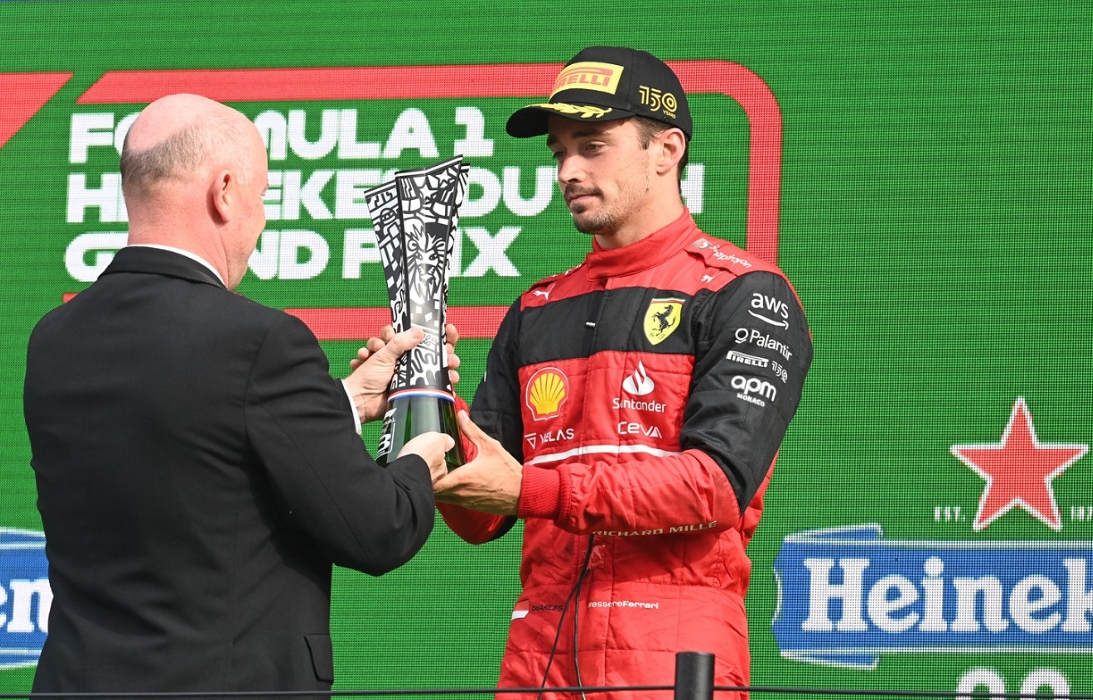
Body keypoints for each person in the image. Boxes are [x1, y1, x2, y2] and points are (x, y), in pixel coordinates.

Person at [23, 93, 455, 696]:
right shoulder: (259, 341)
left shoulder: (54, 339)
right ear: (224, 191)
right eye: (261, 197)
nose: (260, 219)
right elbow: (377, 529)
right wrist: (418, 457)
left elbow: (187, 439)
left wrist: (345, 401)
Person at [434, 47, 813, 698]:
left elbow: (712, 487)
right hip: (537, 655)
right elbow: (478, 516)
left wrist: (531, 489)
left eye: (592, 146)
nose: (568, 171)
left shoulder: (744, 292)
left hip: (672, 652)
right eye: (559, 152)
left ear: (665, 150)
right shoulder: (535, 309)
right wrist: (428, 403)